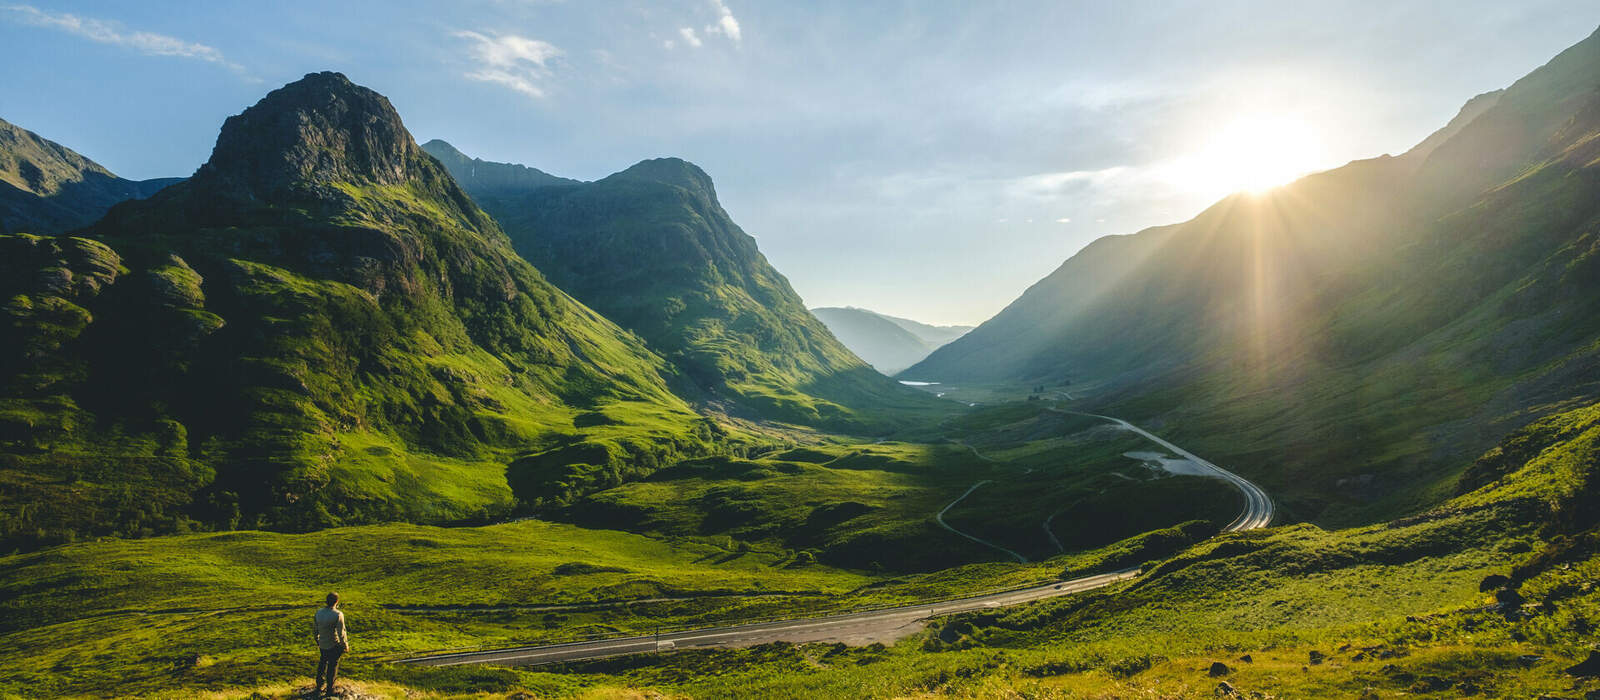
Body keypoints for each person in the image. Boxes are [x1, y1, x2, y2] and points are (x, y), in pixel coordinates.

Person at [312, 592, 349, 697]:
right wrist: (345, 645)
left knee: (323, 662)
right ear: (337, 601)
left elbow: (315, 629)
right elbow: (341, 633)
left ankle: (319, 685)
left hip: (322, 643)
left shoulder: (318, 612)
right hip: (333, 644)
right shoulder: (338, 614)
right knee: (333, 665)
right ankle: (329, 689)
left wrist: (317, 640)